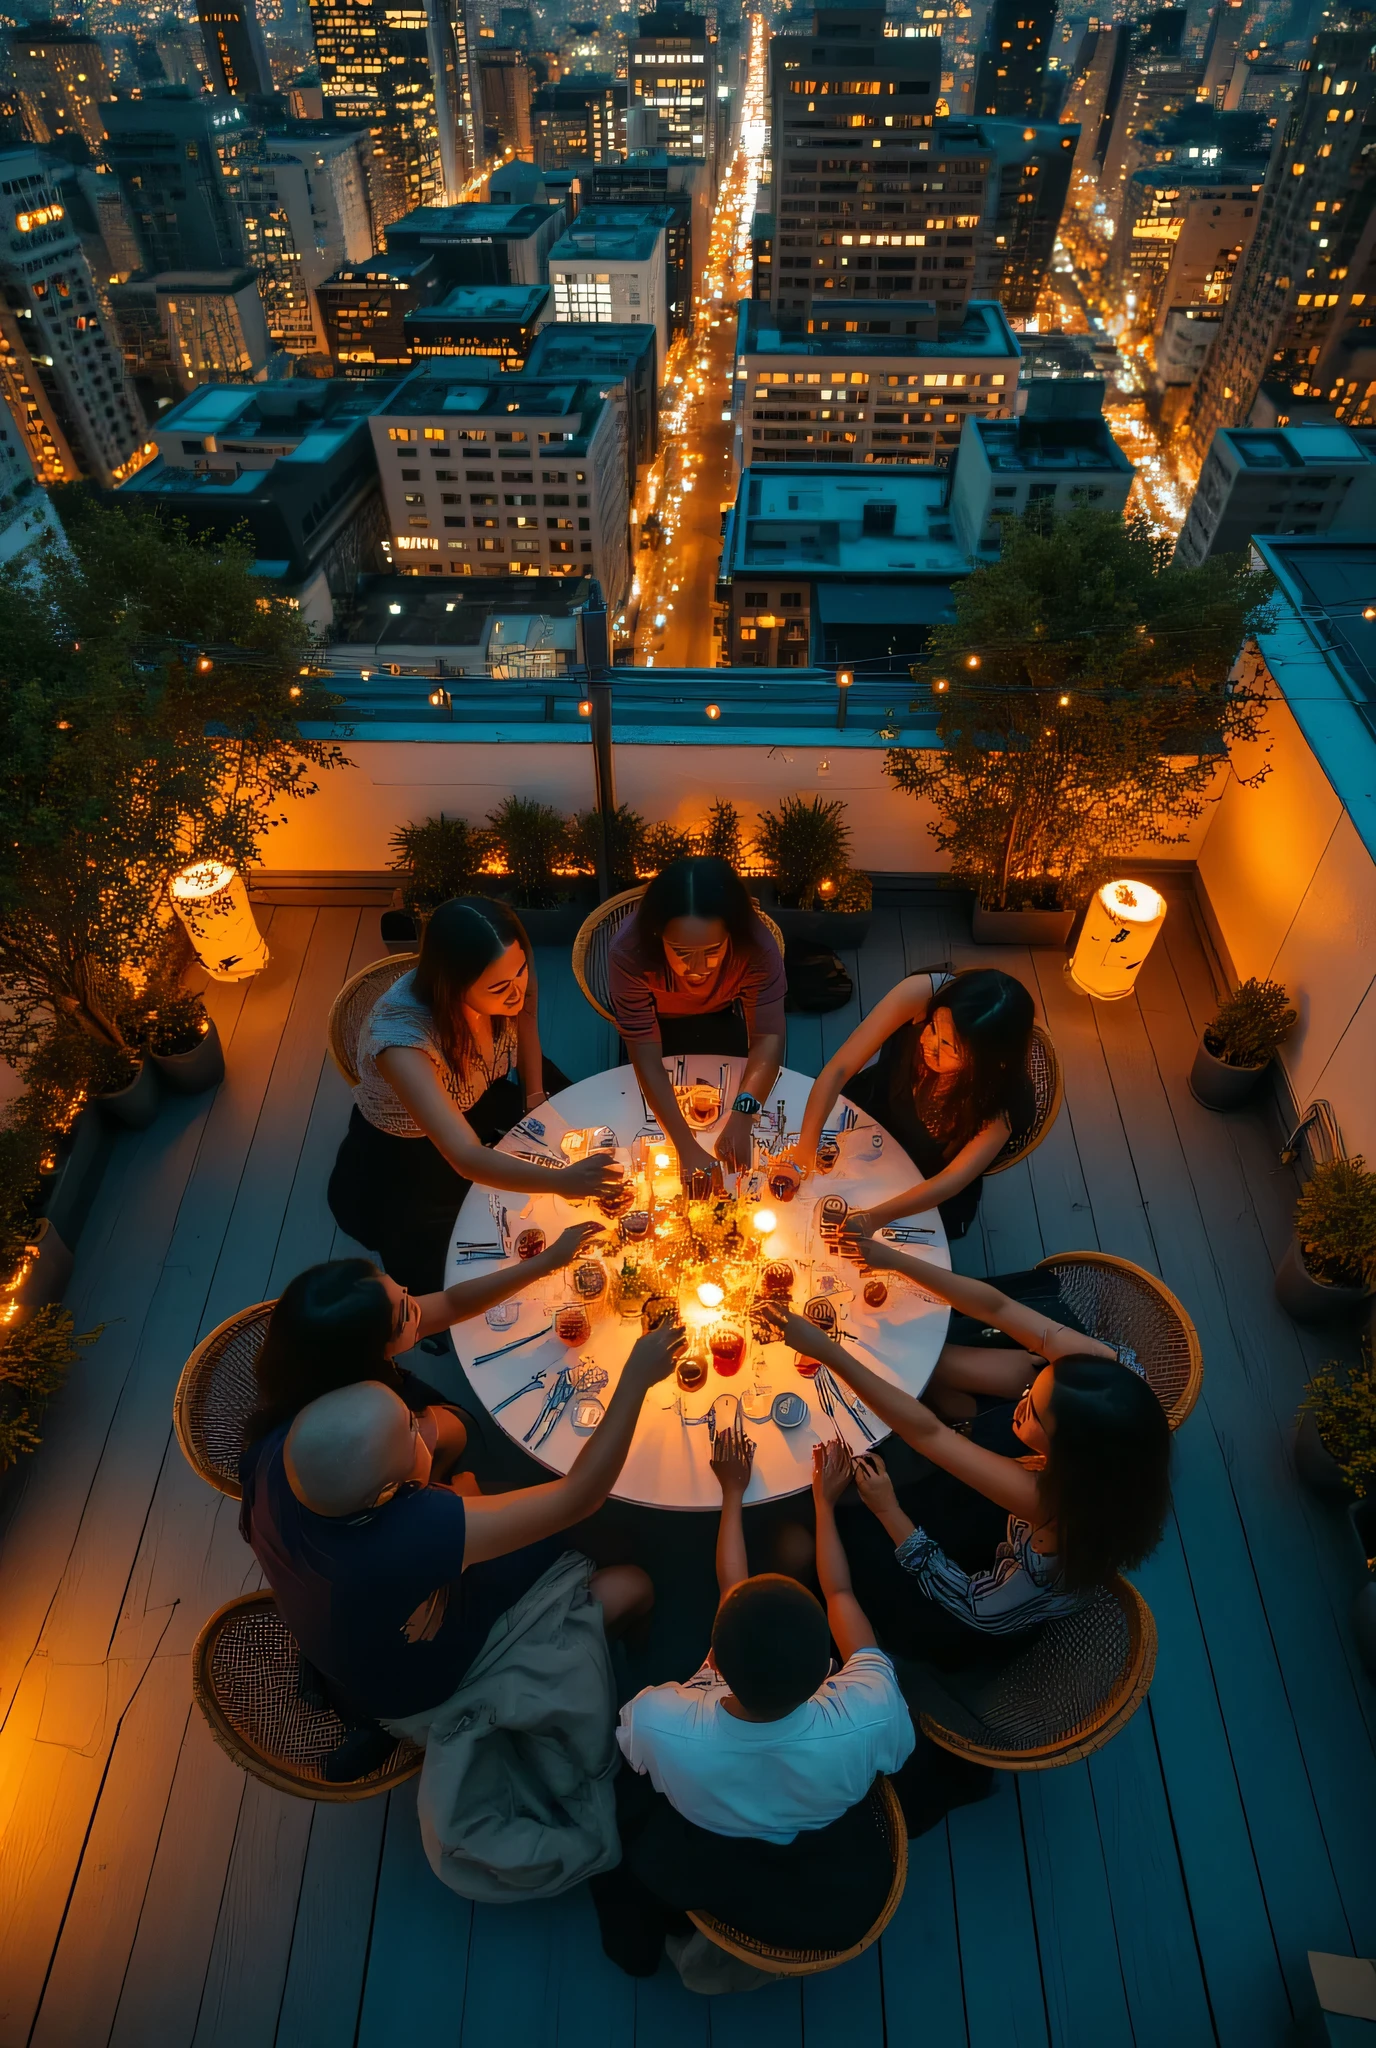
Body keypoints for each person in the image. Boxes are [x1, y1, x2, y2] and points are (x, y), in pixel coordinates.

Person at [239, 1319, 685, 1725]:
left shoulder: (272, 1455)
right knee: (629, 1572)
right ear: (387, 1497)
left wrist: (458, 1502)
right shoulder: (407, 1535)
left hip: (357, 1633)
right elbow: (580, 1497)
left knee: (511, 1500)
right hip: (426, 1683)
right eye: (411, 1433)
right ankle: (629, 1655)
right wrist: (636, 1378)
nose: (422, 1426)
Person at [592, 1434, 917, 1974]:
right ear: (825, 1668)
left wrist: (732, 1492)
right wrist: (822, 1503)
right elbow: (840, 1596)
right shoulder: (871, 1709)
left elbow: (730, 1587)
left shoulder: (664, 1722)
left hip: (710, 1840)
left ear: (715, 1660)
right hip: (821, 1829)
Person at [764, 1237, 1172, 1664]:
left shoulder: (1052, 1506)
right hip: (1049, 1528)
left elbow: (930, 1437)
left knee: (851, 1524)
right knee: (983, 1380)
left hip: (966, 1604)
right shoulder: (1116, 1374)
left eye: (1031, 1411)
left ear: (1065, 1459)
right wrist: (890, 1258)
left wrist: (827, 1351)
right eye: (1033, 1388)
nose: (1020, 1400)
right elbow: (998, 1309)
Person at [328, 897, 622, 1291]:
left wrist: (534, 1101)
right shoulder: (403, 1043)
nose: (518, 991)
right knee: (474, 1242)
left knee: (577, 1126)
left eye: (520, 973)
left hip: (485, 1095)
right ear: (452, 985)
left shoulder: (507, 962)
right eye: (500, 987)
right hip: (411, 1151)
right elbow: (465, 1156)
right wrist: (561, 1181)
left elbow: (526, 1018)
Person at [246, 1224, 603, 1477]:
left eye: (401, 1291)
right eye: (405, 1314)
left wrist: (545, 1263)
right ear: (370, 1352)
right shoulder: (367, 1426)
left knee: (456, 1428)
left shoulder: (319, 1358)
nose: (415, 1304)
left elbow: (449, 1303)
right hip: (408, 1486)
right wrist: (457, 1487)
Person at [786, 966, 1035, 1239]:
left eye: (948, 1047)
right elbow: (840, 1068)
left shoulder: (1000, 1103)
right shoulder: (924, 993)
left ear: (984, 1063)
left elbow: (949, 1180)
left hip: (919, 1179)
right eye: (933, 1027)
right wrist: (804, 1150)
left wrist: (872, 1219)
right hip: (869, 1109)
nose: (929, 1044)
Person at [608, 856, 786, 1180]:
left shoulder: (757, 948)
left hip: (722, 1014)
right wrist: (685, 1146)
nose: (698, 967)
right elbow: (645, 1056)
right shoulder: (629, 952)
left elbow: (767, 1038)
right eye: (682, 952)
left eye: (713, 949)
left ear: (732, 934)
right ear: (657, 936)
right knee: (638, 1122)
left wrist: (743, 1115)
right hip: (656, 1023)